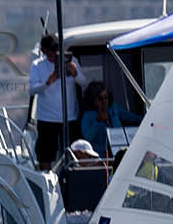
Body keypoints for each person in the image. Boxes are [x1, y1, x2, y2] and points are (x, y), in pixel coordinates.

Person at [27, 35, 90, 169]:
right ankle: (47, 180)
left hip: (70, 117)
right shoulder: (38, 65)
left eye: (56, 49)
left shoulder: (72, 61)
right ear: (43, 51)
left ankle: (76, 177)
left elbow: (84, 83)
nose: (54, 54)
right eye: (50, 51)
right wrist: (47, 82)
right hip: (47, 119)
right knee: (45, 155)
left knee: (76, 151)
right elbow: (32, 90)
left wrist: (75, 73)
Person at [78, 81, 143, 157]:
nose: (104, 101)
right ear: (93, 100)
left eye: (106, 97)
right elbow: (88, 137)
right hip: (99, 156)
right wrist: (98, 121)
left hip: (118, 151)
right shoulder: (88, 115)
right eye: (100, 98)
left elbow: (132, 117)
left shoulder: (113, 108)